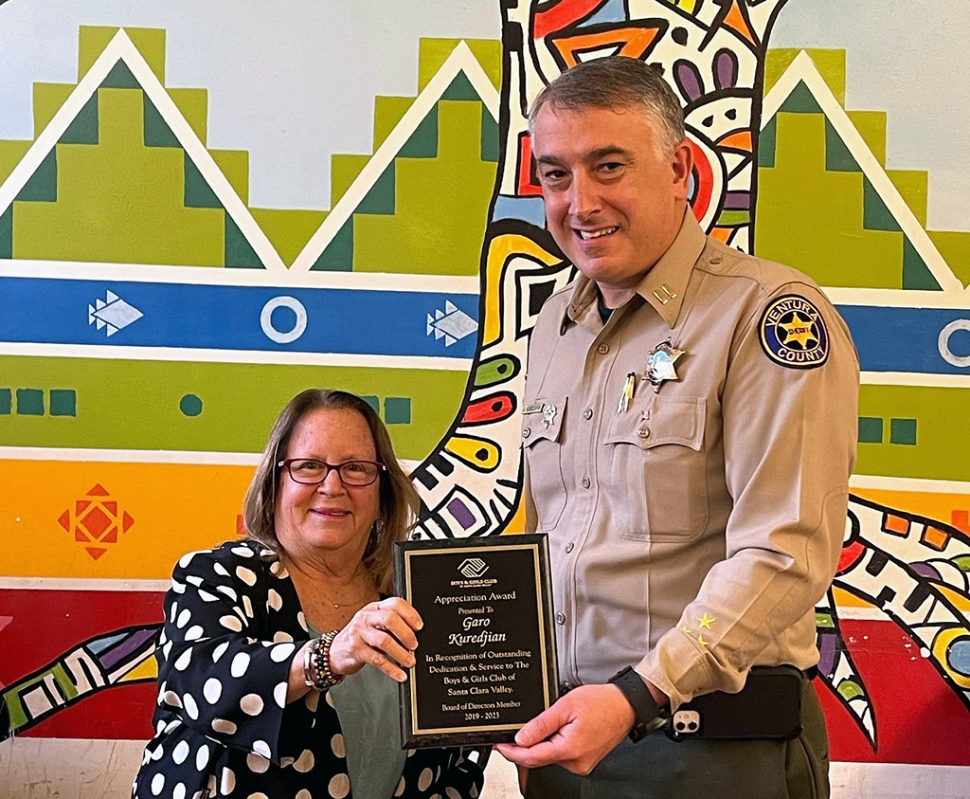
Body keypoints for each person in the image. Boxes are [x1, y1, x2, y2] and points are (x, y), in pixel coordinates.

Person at [496, 57, 859, 798]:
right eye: (556, 174)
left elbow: (784, 552)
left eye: (608, 167)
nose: (580, 201)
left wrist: (639, 692)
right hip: (572, 747)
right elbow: (564, 540)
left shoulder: (769, 314)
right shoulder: (553, 327)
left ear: (679, 171)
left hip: (711, 755)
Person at [132, 389, 485, 799]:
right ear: (276, 481)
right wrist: (327, 656)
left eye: (355, 468)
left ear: (382, 492)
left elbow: (449, 762)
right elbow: (205, 682)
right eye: (309, 466)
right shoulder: (217, 574)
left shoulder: (415, 597)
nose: (332, 486)